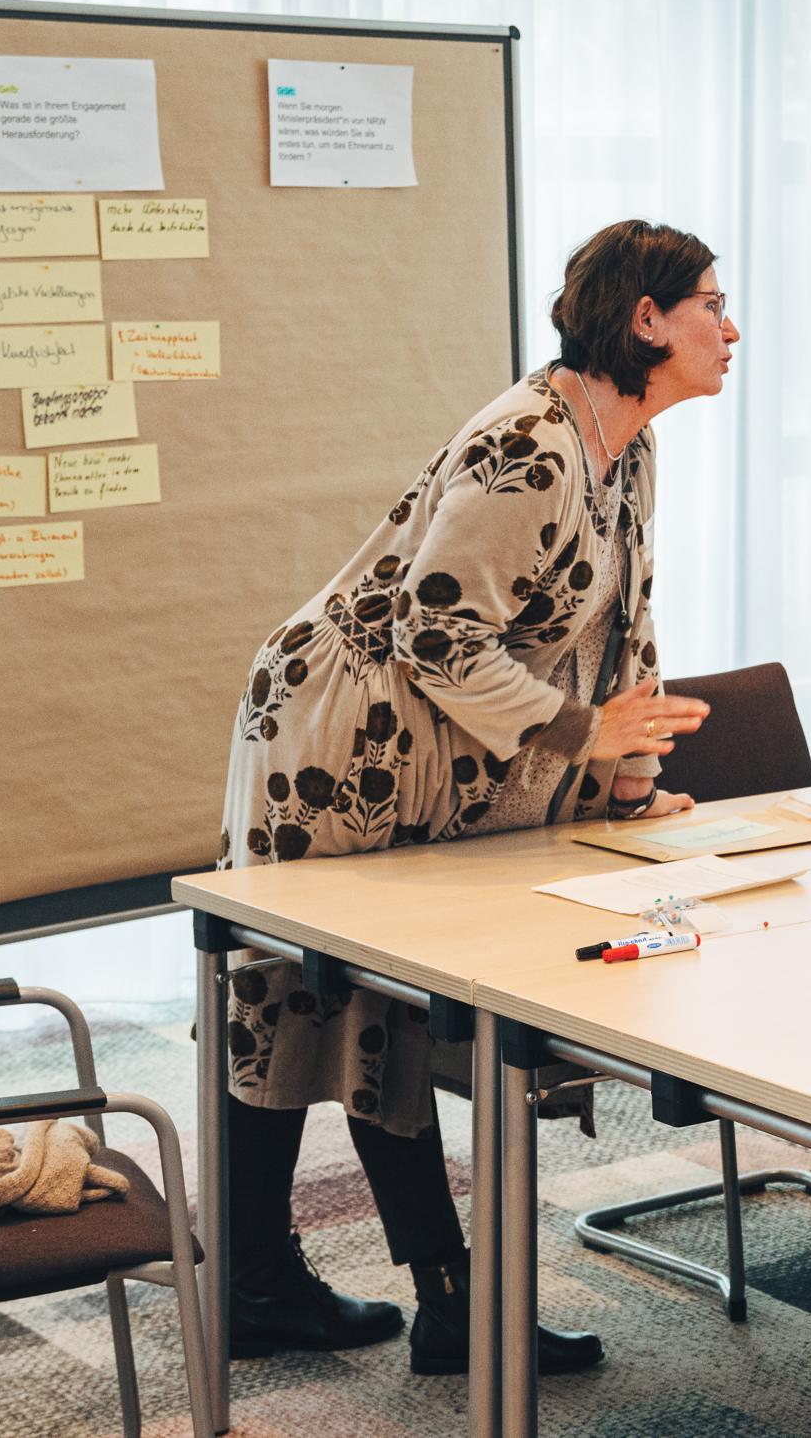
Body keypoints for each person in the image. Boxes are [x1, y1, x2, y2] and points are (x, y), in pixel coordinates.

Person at [214, 219, 735, 1377]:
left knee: (361, 1012)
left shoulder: (628, 444)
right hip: (341, 735)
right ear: (645, 319)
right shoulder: (532, 446)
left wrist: (625, 779)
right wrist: (583, 737)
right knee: (318, 999)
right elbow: (432, 630)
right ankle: (316, 1288)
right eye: (710, 303)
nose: (729, 326)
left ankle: (404, 1298)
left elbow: (618, 636)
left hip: (430, 743)